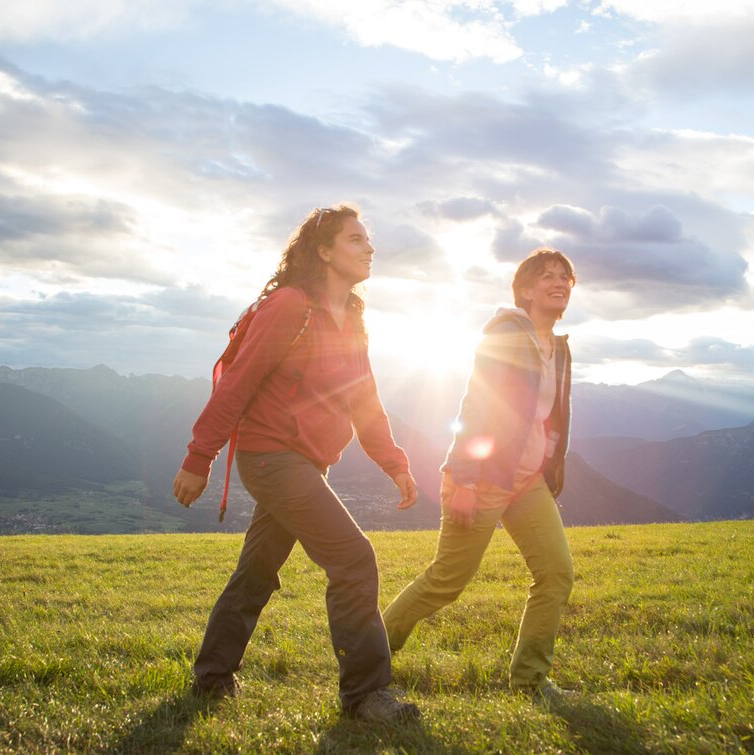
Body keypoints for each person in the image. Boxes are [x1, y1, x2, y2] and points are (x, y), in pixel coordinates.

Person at [173, 204, 420, 723]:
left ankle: (212, 677)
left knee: (257, 572)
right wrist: (199, 457)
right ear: (323, 251)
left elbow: (365, 399)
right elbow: (238, 383)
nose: (370, 247)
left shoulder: (351, 318)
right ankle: (365, 695)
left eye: (368, 239)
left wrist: (393, 462)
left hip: (307, 463)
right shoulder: (290, 306)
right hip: (271, 458)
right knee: (354, 559)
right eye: (356, 239)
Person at [382, 248, 576, 702]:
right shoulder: (507, 334)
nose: (559, 283)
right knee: (446, 582)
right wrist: (465, 480)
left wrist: (549, 465)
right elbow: (477, 405)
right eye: (547, 276)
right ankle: (367, 654)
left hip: (526, 482)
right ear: (525, 290)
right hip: (483, 478)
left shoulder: (558, 347)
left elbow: (549, 417)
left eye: (565, 277)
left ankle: (530, 681)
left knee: (556, 573)